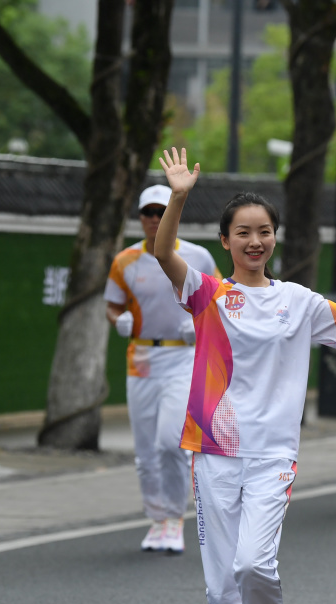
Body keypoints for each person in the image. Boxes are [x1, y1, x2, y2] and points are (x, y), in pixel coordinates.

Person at [153, 147, 336, 604]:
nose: (254, 241)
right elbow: (162, 251)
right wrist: (179, 194)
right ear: (225, 241)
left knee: (253, 563)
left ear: (275, 238)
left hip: (272, 453)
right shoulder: (209, 294)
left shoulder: (298, 301)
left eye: (263, 231)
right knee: (219, 580)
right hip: (214, 450)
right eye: (242, 232)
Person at [104, 184, 221, 553]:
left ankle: (174, 516)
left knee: (171, 440)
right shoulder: (125, 261)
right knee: (145, 450)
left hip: (184, 357)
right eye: (148, 213)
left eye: (161, 211)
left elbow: (219, 302)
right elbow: (112, 304)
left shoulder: (198, 257)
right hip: (141, 359)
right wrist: (117, 320)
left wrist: (199, 323)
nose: (155, 219)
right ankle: (156, 519)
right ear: (140, 217)